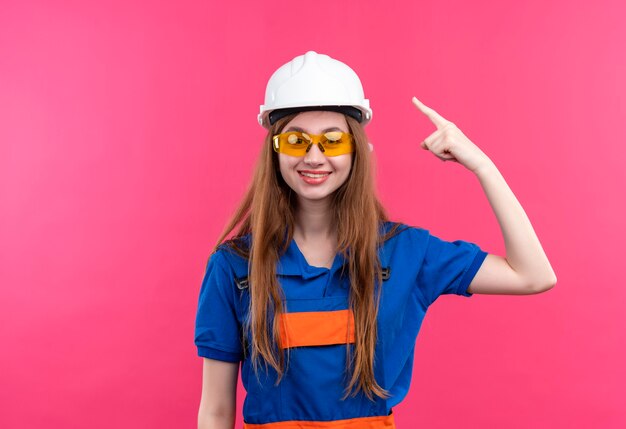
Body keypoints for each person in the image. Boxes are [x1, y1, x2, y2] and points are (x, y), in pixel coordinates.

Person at [194, 51, 556, 429]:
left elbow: (532, 275)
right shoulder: (234, 265)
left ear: (357, 152)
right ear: (275, 152)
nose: (314, 157)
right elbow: (217, 411)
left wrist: (482, 165)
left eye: (332, 141)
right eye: (297, 140)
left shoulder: (406, 253)